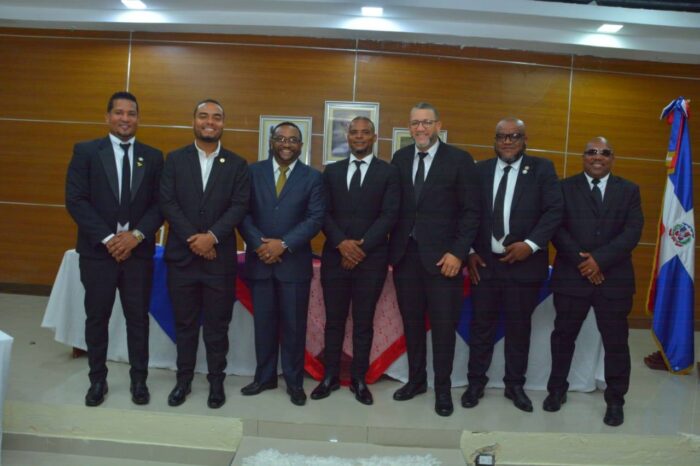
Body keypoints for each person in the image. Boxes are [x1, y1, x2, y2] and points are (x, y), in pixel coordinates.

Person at [66, 91, 163, 407]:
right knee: (97, 318)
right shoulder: (86, 152)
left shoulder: (153, 156)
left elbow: (159, 205)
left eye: (131, 113)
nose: (125, 118)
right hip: (98, 254)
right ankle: (97, 380)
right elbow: (76, 200)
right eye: (119, 112)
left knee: (138, 320)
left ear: (138, 118)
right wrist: (109, 239)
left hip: (138, 254)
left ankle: (139, 380)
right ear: (107, 117)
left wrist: (136, 236)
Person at [464, 117, 563, 413]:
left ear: (524, 140)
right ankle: (475, 383)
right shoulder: (478, 170)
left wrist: (530, 245)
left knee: (519, 329)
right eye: (502, 136)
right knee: (481, 327)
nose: (507, 141)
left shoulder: (542, 169)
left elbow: (554, 211)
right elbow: (466, 212)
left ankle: (515, 385)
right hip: (484, 264)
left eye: (514, 136)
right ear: (494, 141)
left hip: (524, 266)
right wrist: (470, 250)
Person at [389, 103, 480, 416]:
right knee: (412, 325)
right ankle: (416, 381)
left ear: (438, 125)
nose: (420, 128)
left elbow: (471, 212)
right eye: (415, 123)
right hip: (406, 258)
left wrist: (458, 252)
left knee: (443, 329)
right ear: (409, 126)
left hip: (445, 261)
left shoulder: (459, 160)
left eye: (426, 122)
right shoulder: (400, 158)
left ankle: (443, 389)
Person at [544, 137, 643, 427]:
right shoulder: (563, 188)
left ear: (613, 158)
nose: (597, 157)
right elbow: (556, 229)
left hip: (614, 280)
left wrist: (599, 261)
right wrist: (584, 263)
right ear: (583, 157)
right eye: (591, 152)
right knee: (563, 337)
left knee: (616, 343)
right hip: (571, 278)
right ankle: (556, 390)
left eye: (604, 153)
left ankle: (615, 400)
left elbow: (632, 231)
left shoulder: (629, 190)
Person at [160, 99, 250, 409]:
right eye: (203, 116)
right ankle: (183, 380)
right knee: (184, 325)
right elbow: (168, 202)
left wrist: (211, 238)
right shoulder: (174, 160)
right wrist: (194, 239)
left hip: (219, 262)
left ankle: (216, 381)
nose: (209, 122)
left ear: (223, 123)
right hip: (182, 260)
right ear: (194, 121)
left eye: (216, 117)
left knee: (217, 327)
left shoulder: (237, 164)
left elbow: (239, 206)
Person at [312, 117, 400, 405]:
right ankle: (329, 377)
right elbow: (323, 213)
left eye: (365, 133)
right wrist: (342, 244)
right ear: (347, 137)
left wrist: (360, 248)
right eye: (354, 132)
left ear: (374, 137)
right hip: (335, 258)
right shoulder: (331, 171)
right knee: (334, 322)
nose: (359, 137)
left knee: (364, 323)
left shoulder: (388, 173)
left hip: (371, 260)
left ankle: (359, 379)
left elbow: (389, 215)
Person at [239, 122, 325, 406]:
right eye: (281, 138)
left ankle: (294, 382)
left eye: (293, 140)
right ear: (271, 142)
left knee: (294, 328)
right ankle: (264, 377)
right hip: (260, 262)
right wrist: (259, 244)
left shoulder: (313, 177)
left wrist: (283, 244)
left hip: (293, 265)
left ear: (301, 145)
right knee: (263, 325)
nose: (286, 144)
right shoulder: (252, 172)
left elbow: (315, 218)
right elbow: (242, 212)